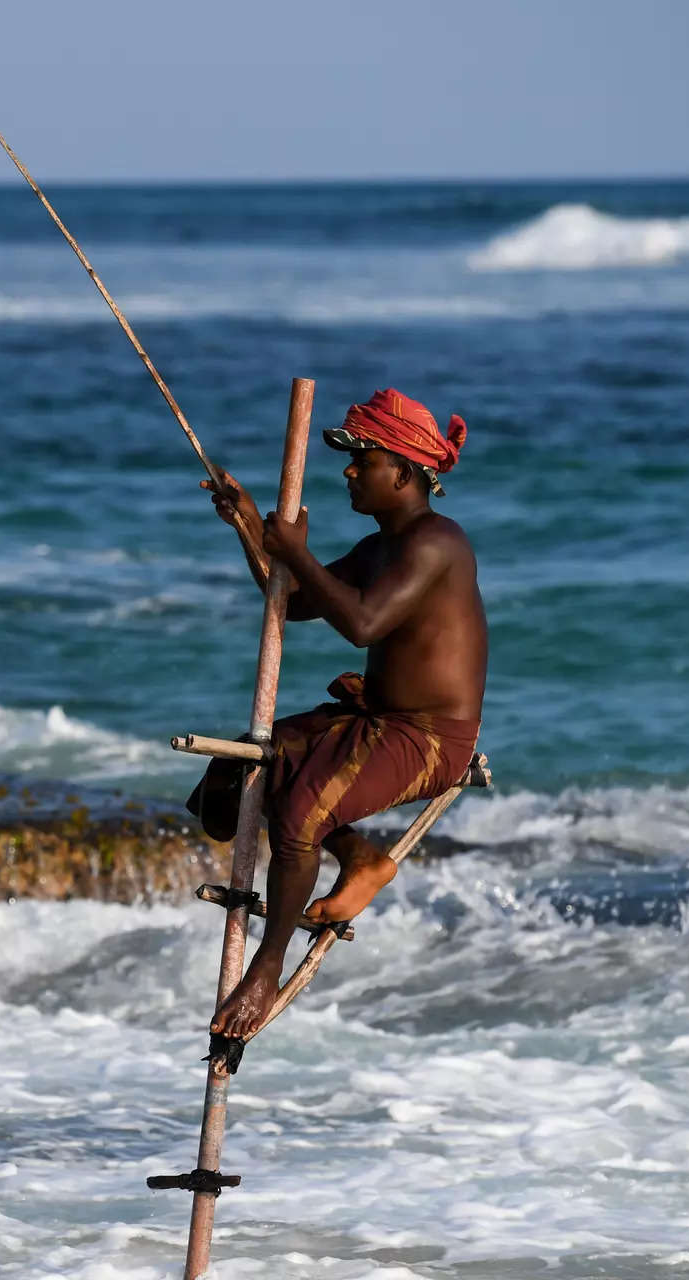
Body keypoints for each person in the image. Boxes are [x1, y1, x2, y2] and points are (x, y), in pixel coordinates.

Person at [193, 388, 488, 1041]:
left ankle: (263, 974)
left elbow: (361, 623)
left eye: (363, 459)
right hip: (377, 718)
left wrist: (294, 548)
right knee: (238, 780)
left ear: (404, 474)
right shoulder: (380, 545)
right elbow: (295, 602)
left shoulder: (436, 542)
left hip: (429, 738)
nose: (349, 471)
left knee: (301, 813)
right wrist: (248, 524)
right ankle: (362, 860)